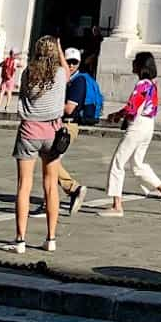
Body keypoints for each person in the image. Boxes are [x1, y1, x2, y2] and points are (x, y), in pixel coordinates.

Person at [11, 35, 68, 254]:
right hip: (53, 133)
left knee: (24, 186)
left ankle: (20, 240)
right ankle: (51, 238)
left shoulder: (28, 73)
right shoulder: (61, 74)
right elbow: (67, 69)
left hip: (29, 130)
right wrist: (60, 50)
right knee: (51, 186)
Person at [101, 52, 161, 216]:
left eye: (135, 62)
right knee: (137, 164)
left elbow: (131, 108)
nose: (132, 64)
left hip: (137, 126)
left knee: (118, 162)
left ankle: (117, 205)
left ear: (141, 66)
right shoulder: (153, 85)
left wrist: (116, 115)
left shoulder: (142, 84)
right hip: (148, 125)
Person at [56, 47, 104, 216]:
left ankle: (74, 188)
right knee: (51, 162)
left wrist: (49, 106)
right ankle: (52, 199)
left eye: (74, 62)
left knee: (51, 163)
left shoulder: (78, 82)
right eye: (68, 61)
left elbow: (69, 108)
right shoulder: (67, 80)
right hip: (61, 124)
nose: (70, 65)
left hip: (67, 126)